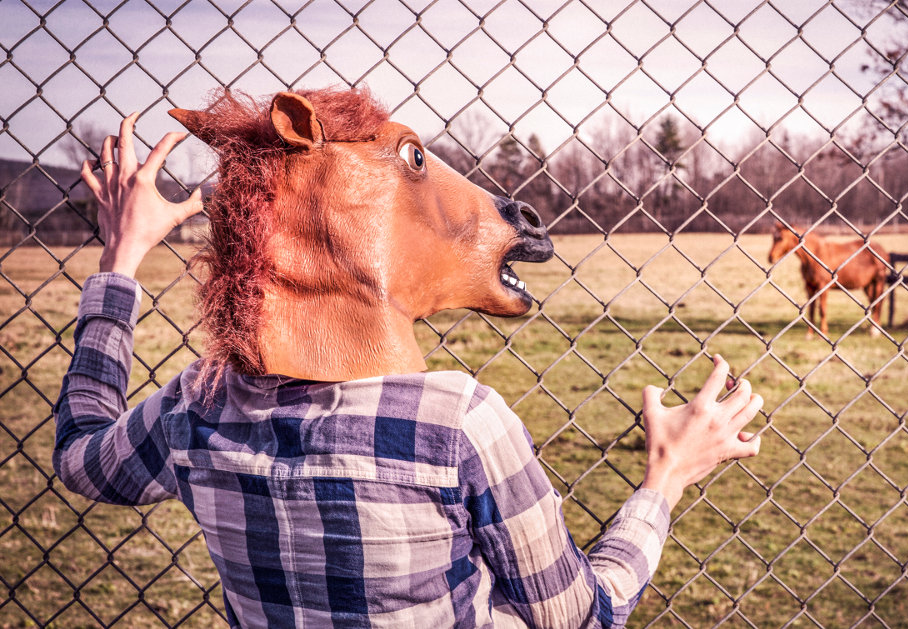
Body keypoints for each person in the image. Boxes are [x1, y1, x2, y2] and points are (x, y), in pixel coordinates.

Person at [55, 110, 763, 627]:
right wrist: (663, 478)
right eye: (413, 161)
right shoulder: (458, 423)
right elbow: (581, 616)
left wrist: (120, 260)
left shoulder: (197, 408)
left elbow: (82, 455)